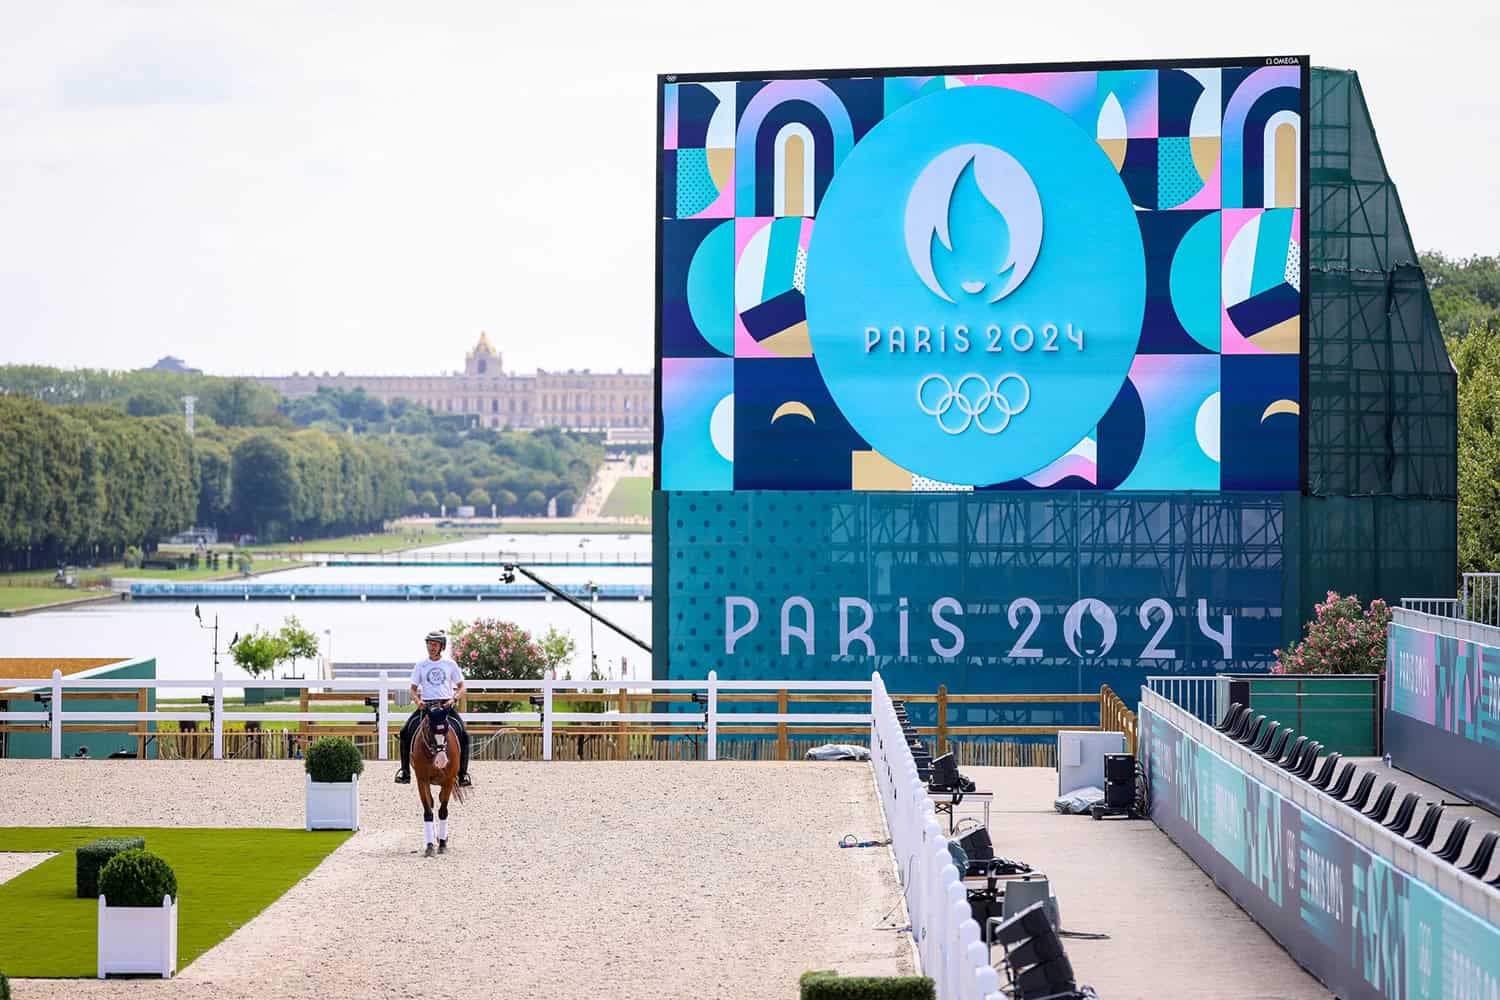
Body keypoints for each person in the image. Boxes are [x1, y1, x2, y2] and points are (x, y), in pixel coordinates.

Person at [394, 629, 473, 786]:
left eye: (435, 644)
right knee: (404, 732)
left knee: (464, 735)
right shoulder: (421, 665)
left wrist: (454, 699)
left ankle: (463, 774)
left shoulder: (450, 664)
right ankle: (405, 771)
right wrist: (418, 701)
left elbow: (462, 687)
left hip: (445, 707)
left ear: (441, 646)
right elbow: (412, 689)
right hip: (426, 707)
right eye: (429, 644)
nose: (431, 647)